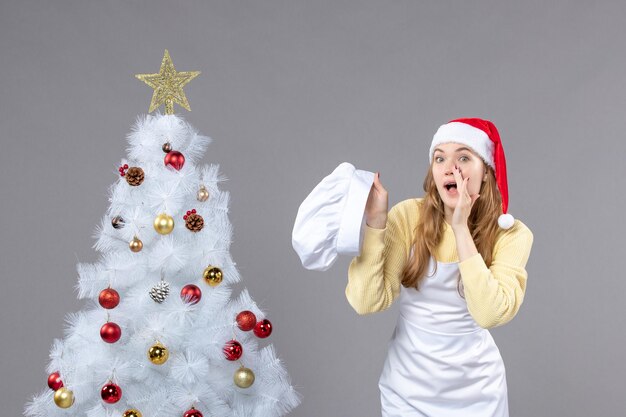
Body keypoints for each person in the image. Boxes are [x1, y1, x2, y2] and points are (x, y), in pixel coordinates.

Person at [345, 117, 533, 417]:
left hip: (477, 393)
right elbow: (366, 302)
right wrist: (375, 223)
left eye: (463, 157)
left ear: (486, 172)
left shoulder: (510, 234)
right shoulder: (408, 216)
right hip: (408, 390)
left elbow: (489, 313)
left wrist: (460, 229)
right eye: (439, 158)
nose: (450, 168)